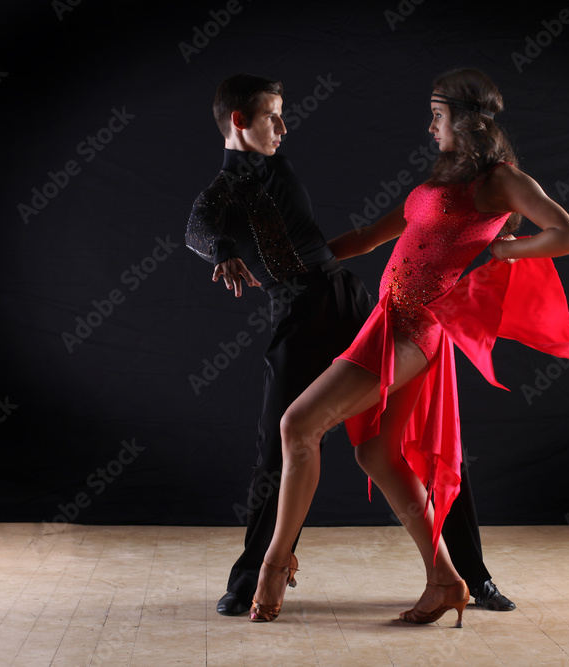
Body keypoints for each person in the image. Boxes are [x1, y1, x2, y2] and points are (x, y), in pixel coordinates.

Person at [250, 68, 569, 625]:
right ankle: (445, 579)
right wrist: (283, 266)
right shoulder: (437, 185)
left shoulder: (500, 180)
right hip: (386, 321)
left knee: (298, 426)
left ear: (465, 119)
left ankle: (274, 563)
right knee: (377, 455)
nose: (429, 125)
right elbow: (368, 237)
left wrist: (511, 251)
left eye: (437, 115)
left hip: (417, 328)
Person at [185, 73, 521, 619]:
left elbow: (337, 244)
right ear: (240, 122)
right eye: (273, 116)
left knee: (418, 441)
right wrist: (222, 248)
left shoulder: (280, 166)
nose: (284, 126)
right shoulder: (224, 190)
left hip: (348, 302)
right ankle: (252, 575)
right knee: (281, 443)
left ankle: (472, 576)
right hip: (298, 315)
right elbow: (199, 224)